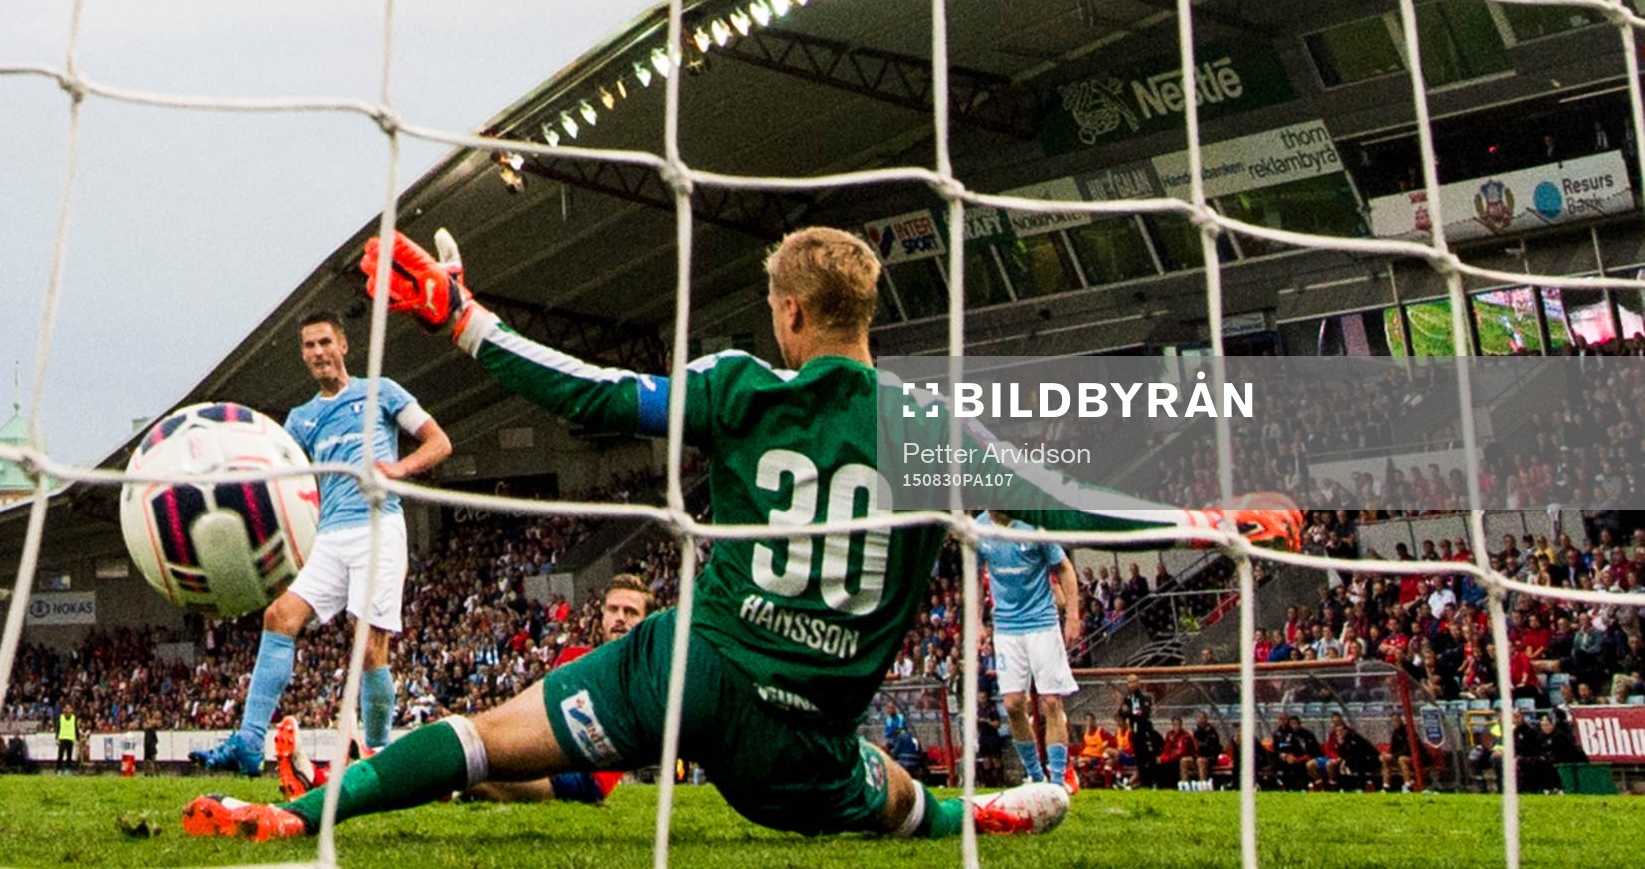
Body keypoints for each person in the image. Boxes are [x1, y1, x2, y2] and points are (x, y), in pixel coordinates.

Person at [185, 226, 1298, 843]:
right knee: (889, 807)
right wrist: (1205, 516)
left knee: (478, 740)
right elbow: (1054, 498)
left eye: (775, 304)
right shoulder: (926, 426)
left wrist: (465, 319)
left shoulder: (739, 390)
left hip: (687, 669)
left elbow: (594, 398)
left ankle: (290, 814)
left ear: (794, 314)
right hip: (801, 733)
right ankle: (981, 810)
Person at [192, 309, 454, 777]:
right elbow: (282, 480)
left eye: (324, 343)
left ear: (344, 346)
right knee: (279, 615)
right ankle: (250, 743)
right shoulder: (301, 419)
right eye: (309, 346)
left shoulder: (383, 392)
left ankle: (376, 757)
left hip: (378, 528)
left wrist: (397, 469)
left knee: (369, 648)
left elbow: (439, 442)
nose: (318, 353)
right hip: (330, 535)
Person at [463, 574, 655, 805]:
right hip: (540, 754)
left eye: (631, 612)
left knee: (476, 776)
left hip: (584, 776)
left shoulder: (648, 674)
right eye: (613, 610)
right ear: (602, 615)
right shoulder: (574, 658)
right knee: (471, 753)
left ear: (647, 620)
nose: (620, 618)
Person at [974, 511, 1080, 790]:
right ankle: (1036, 777)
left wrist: (1073, 616)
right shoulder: (979, 528)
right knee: (1012, 705)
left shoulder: (1033, 526)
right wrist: (976, 622)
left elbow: (1064, 568)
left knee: (1052, 703)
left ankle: (1057, 782)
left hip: (1042, 623)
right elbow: (973, 578)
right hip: (1007, 627)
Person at [55, 706, 79, 773]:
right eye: (66, 708)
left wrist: (77, 739)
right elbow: (58, 728)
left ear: (71, 710)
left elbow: (76, 729)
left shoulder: (74, 718)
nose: (67, 710)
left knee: (69, 756)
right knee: (60, 756)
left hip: (70, 739)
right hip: (62, 738)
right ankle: (58, 770)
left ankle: (68, 770)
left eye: (69, 709)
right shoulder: (61, 717)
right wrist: (56, 738)